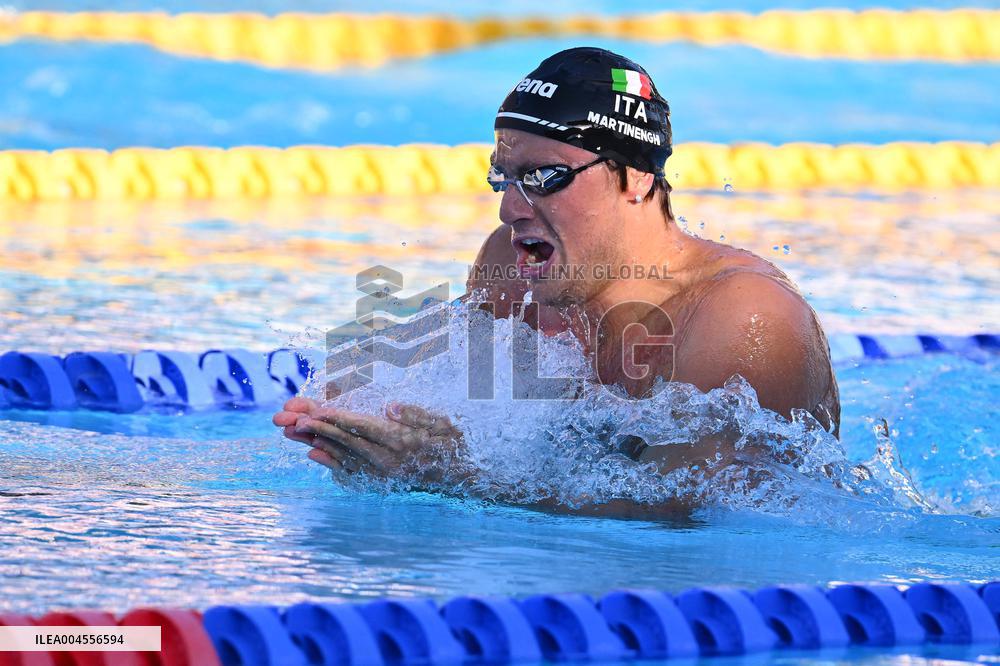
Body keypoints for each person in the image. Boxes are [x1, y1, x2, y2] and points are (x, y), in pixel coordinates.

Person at [274, 47, 839, 508]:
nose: (509, 210)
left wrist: (461, 480)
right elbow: (449, 369)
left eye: (545, 177)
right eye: (504, 179)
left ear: (637, 177)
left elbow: (689, 518)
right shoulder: (514, 268)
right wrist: (356, 415)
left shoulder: (739, 317)